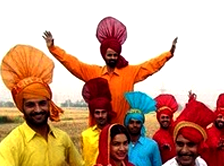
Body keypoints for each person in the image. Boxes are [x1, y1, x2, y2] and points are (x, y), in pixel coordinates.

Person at [43, 16, 177, 125]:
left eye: (115, 55)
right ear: (104, 55)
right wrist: (54, 49)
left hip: (122, 129)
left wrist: (168, 54)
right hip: (99, 128)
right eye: (109, 55)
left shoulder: (129, 72)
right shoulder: (94, 72)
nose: (112, 58)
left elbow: (150, 66)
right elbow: (73, 63)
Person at [80, 77, 116, 166]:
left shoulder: (115, 133)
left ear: (108, 113)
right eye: (97, 112)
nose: (100, 116)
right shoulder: (86, 135)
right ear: (93, 114)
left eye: (103, 112)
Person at [152, 93, 178, 163]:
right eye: (163, 117)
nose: (165, 120)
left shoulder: (176, 132)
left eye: (167, 117)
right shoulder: (156, 136)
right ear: (158, 119)